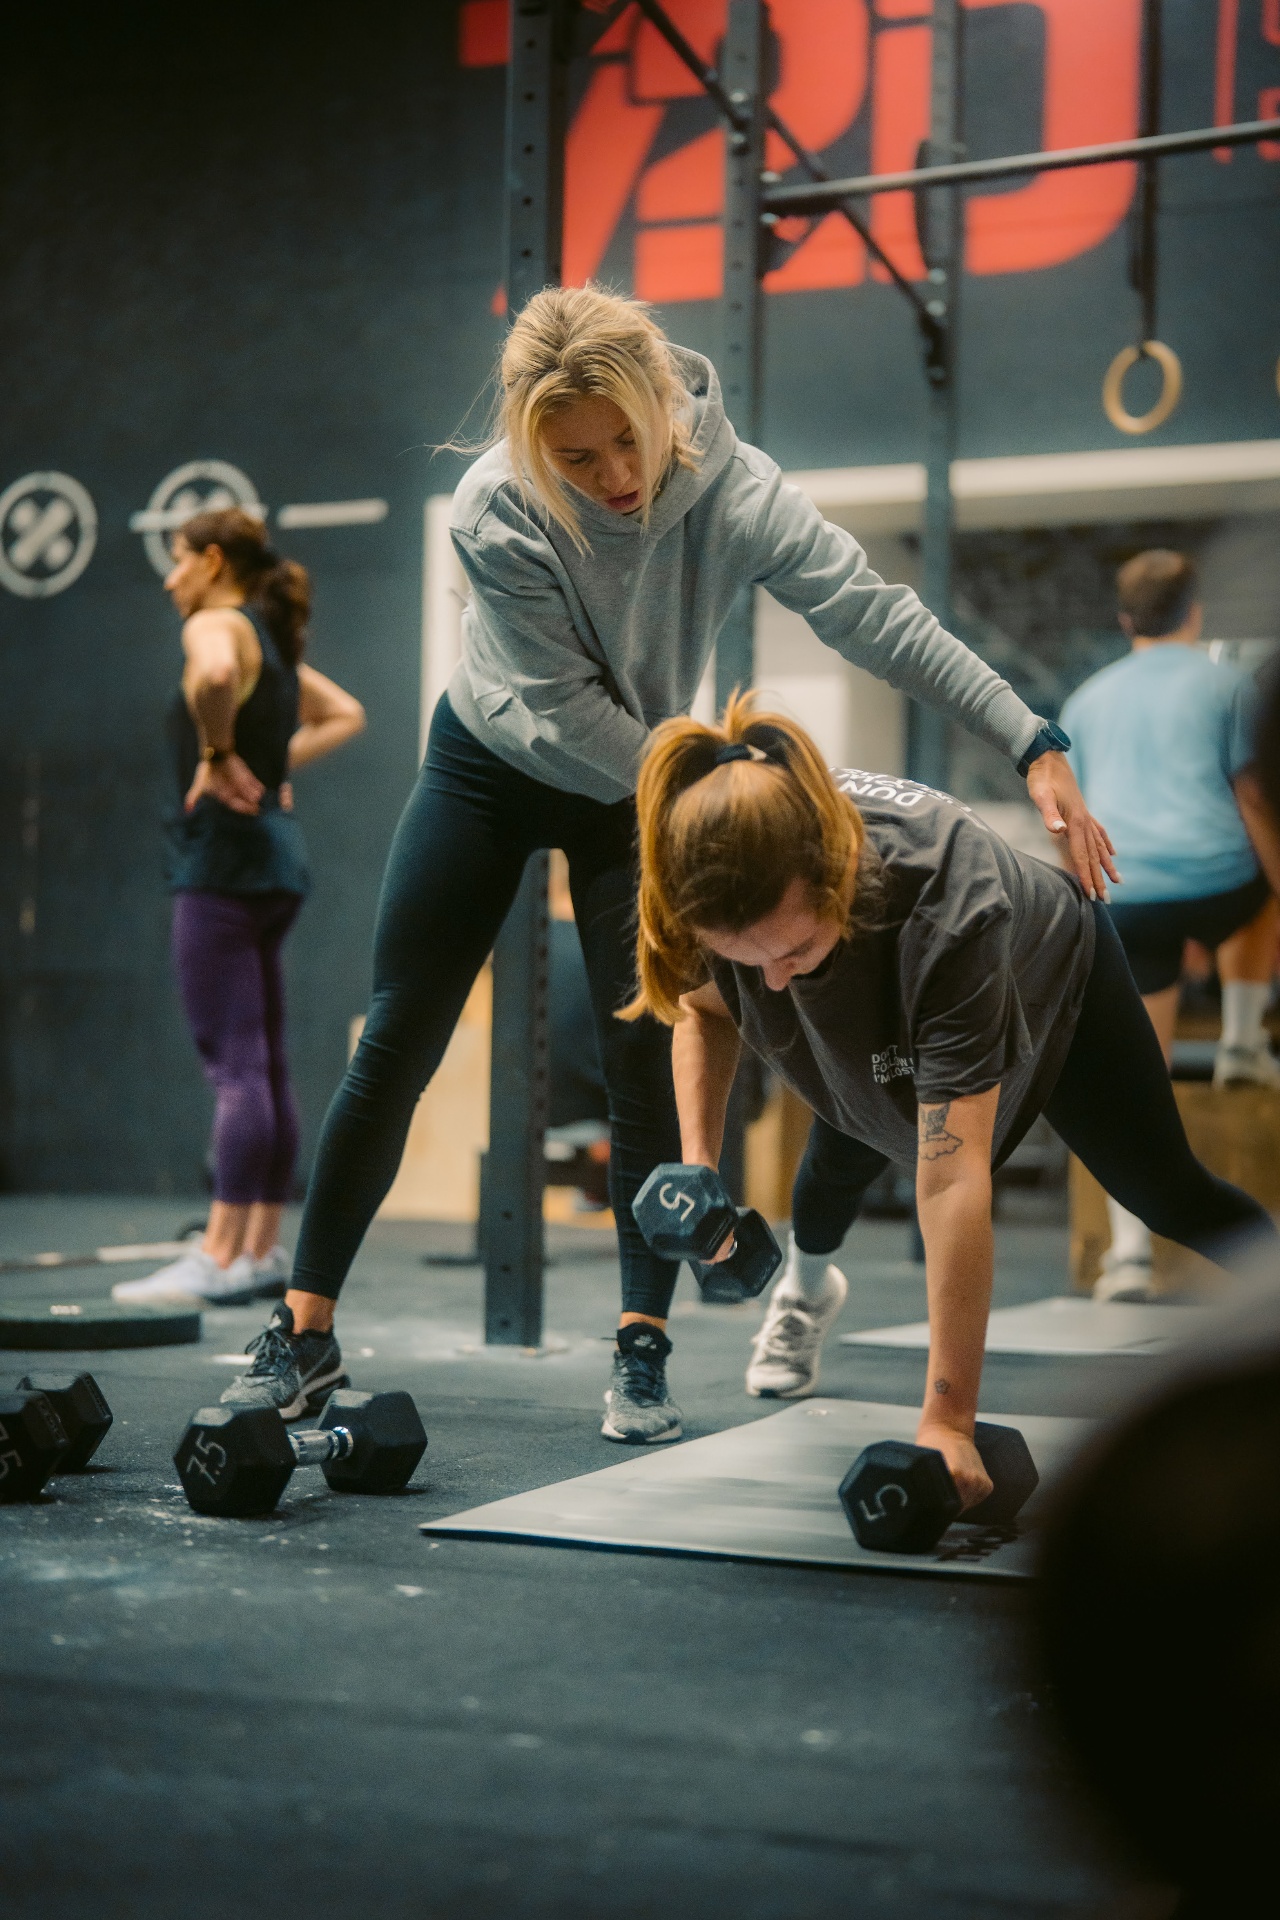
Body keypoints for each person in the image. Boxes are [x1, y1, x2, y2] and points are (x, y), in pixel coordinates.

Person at [221, 282, 1114, 1441]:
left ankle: (640, 1350)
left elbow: (865, 609)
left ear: (661, 400)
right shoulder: (494, 509)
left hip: (636, 786)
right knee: (397, 1038)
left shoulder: (732, 488)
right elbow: (571, 714)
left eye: (624, 442)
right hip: (494, 762)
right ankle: (301, 1334)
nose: (609, 476)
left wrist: (1026, 735)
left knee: (640, 1046)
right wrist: (719, 790)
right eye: (573, 457)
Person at [622, 697, 1276, 1450]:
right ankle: (805, 1294)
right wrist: (698, 1166)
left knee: (1167, 1191)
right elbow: (704, 1011)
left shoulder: (945, 896)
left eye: (791, 952)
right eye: (748, 960)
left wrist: (946, 1422)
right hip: (875, 966)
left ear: (832, 876)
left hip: (1050, 972)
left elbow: (952, 1181)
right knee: (834, 1163)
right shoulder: (702, 866)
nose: (771, 986)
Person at [114, 509, 365, 1335]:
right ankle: (257, 1250)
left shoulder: (217, 622)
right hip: (272, 861)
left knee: (234, 1066)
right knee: (261, 1060)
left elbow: (214, 677)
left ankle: (219, 1257)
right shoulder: (274, 636)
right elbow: (345, 714)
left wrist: (220, 759)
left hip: (220, 862)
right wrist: (264, 767)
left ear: (211, 559)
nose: (168, 578)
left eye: (177, 560)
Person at [1060, 549, 1277, 1303]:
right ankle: (1244, 1044)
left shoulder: (1084, 699)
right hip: (1217, 881)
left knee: (1133, 1090)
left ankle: (1128, 1258)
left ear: (1125, 621)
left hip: (1126, 897)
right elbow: (1254, 795)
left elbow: (1068, 818)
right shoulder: (1229, 684)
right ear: (1196, 610)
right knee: (1269, 881)